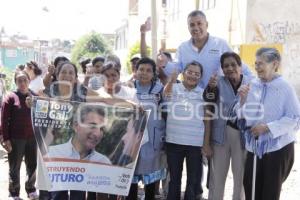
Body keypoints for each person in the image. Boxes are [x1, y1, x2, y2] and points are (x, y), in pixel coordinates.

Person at [236, 47, 300, 200]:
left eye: (261, 64)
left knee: (270, 192)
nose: (257, 68)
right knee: (250, 187)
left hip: (278, 148)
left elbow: (294, 118)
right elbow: (242, 117)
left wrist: (267, 128)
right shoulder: (252, 85)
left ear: (275, 64)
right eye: (256, 64)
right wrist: (243, 100)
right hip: (254, 147)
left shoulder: (285, 87)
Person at [157, 10, 252, 88]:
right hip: (192, 100)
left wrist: (255, 83)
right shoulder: (183, 48)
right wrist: (165, 64)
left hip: (217, 98)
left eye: (199, 23)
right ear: (188, 28)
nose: (196, 28)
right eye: (192, 25)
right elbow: (176, 70)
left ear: (206, 24)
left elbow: (240, 66)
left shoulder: (220, 44)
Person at [203, 52, 252, 200]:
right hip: (220, 135)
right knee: (217, 178)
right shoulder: (217, 83)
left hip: (242, 136)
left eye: (233, 65)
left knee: (241, 177)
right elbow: (208, 101)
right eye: (225, 66)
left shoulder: (252, 83)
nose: (230, 68)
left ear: (240, 66)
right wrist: (210, 88)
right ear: (222, 69)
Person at [163, 61, 209, 200]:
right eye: (190, 72)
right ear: (183, 73)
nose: (193, 76)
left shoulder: (204, 93)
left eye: (197, 74)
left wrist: (206, 144)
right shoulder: (174, 88)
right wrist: (171, 80)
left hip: (195, 144)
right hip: (173, 142)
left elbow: (207, 120)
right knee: (174, 179)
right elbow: (166, 94)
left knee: (193, 181)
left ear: (200, 77)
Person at [124, 57, 166, 200]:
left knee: (151, 175)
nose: (144, 73)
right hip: (131, 139)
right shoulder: (128, 88)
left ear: (154, 73)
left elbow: (166, 112)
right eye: (141, 69)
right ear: (136, 71)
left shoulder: (159, 90)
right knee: (130, 174)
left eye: (148, 70)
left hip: (152, 140)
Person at [1, 70, 38, 200]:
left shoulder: (35, 96)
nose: (22, 83)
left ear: (29, 81)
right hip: (16, 138)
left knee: (32, 165)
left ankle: (31, 189)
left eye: (25, 80)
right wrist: (5, 139)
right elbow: (4, 120)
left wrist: (34, 106)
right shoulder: (11, 97)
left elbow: (41, 116)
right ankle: (14, 193)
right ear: (16, 82)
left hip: (32, 138)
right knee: (14, 167)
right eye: (19, 80)